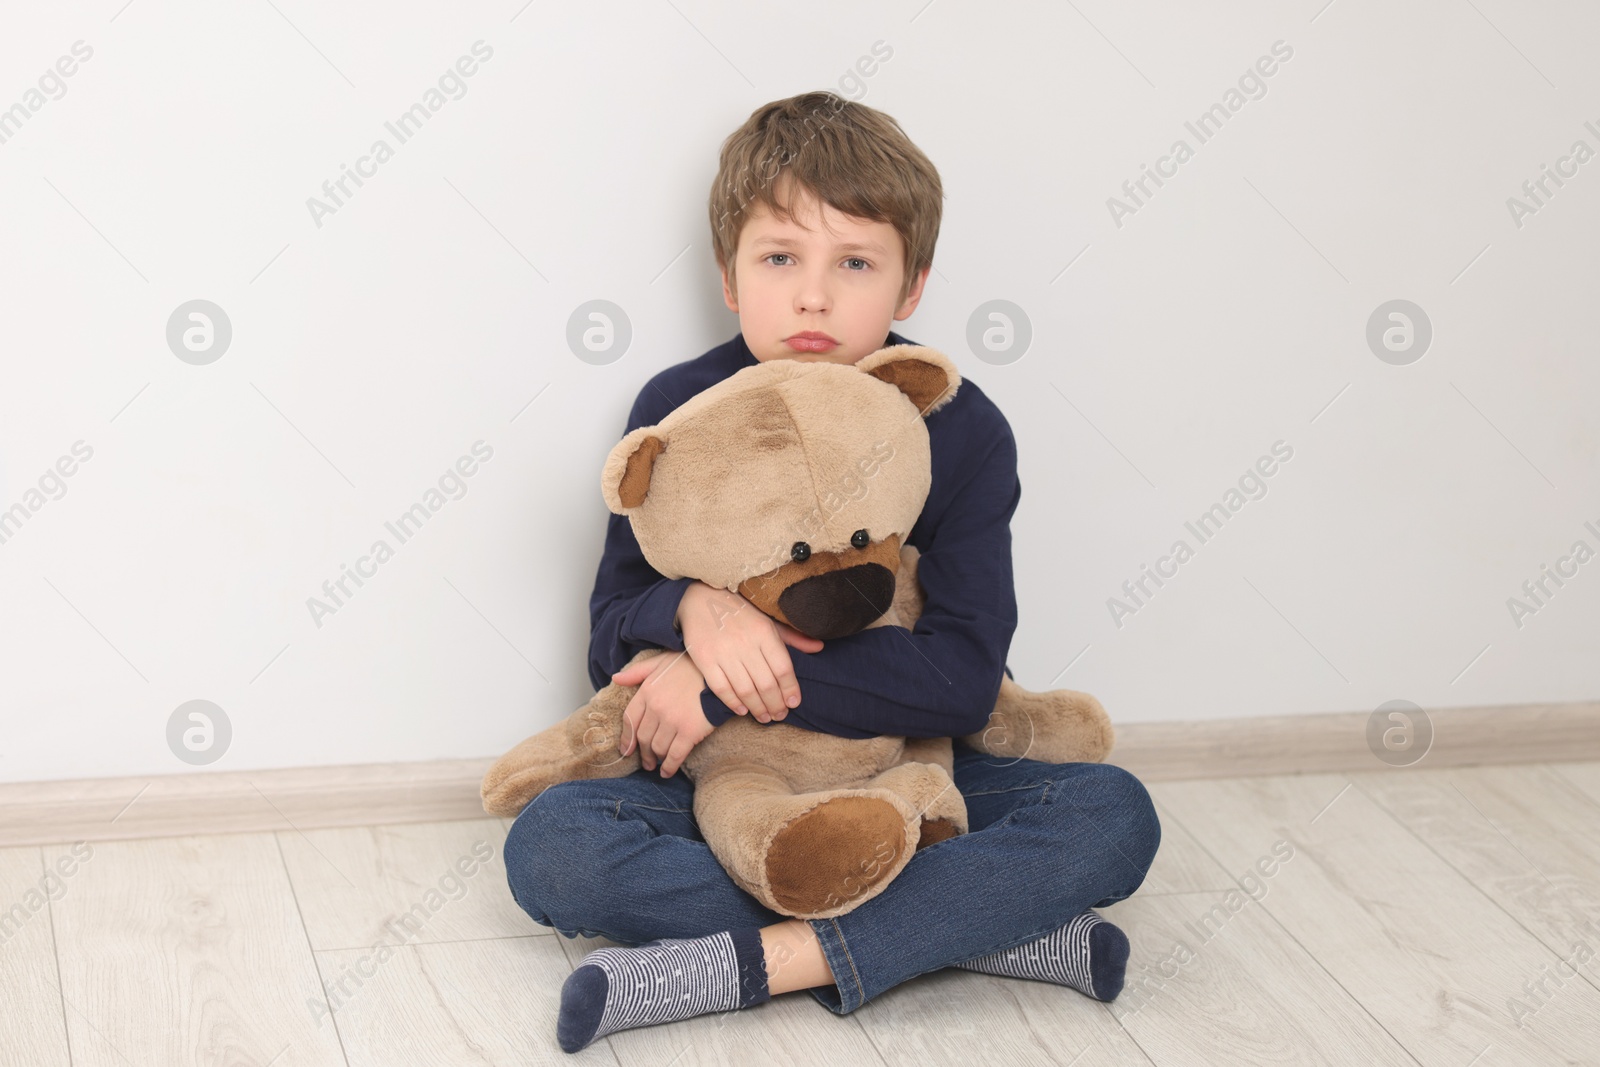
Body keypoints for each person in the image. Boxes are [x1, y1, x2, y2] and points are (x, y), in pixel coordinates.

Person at [502, 90, 1161, 1054]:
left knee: (1112, 815)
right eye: (780, 258)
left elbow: (960, 679)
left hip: (908, 770)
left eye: (855, 263)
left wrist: (728, 686)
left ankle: (766, 963)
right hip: (727, 786)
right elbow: (610, 630)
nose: (813, 297)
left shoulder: (961, 429)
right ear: (731, 275)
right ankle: (965, 931)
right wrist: (694, 610)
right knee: (554, 847)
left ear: (912, 286)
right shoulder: (682, 408)